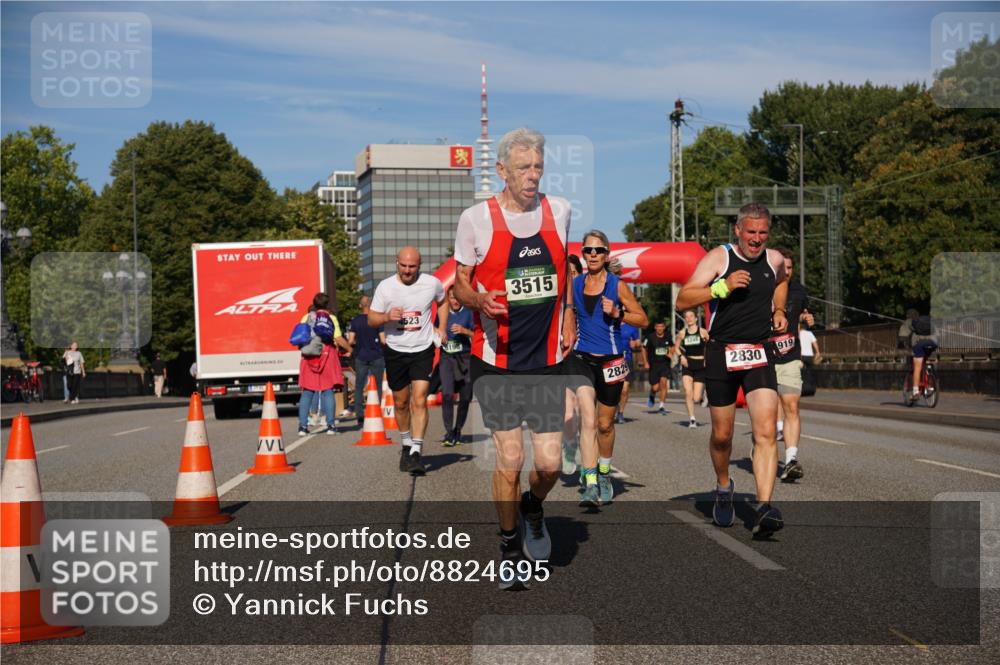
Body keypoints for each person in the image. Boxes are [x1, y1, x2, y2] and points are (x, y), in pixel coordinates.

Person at [453, 127, 575, 589]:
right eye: (523, 168)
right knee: (510, 456)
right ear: (501, 170)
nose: (532, 175)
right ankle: (508, 548)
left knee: (549, 465)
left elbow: (562, 271)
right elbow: (460, 283)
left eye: (538, 166)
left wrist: (566, 315)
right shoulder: (476, 219)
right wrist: (479, 301)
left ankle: (532, 507)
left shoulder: (558, 211)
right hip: (497, 358)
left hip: (544, 359)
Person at [676, 202, 789, 538]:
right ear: (738, 230)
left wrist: (779, 309)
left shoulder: (774, 259)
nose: (756, 239)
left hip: (758, 351)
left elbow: (782, 279)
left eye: (763, 233)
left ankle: (764, 506)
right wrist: (719, 288)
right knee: (722, 437)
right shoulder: (719, 258)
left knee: (766, 431)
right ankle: (724, 488)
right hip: (722, 353)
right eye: (751, 232)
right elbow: (682, 300)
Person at [567, 230, 648, 507]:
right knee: (588, 420)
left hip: (611, 360)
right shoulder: (575, 284)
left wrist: (618, 314)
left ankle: (603, 473)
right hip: (581, 358)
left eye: (598, 250)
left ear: (606, 254)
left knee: (604, 424)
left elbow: (643, 319)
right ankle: (590, 483)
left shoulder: (618, 286)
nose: (592, 255)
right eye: (588, 250)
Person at [369, 246, 448, 475]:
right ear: (397, 263)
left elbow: (442, 302)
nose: (407, 270)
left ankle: (416, 450)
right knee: (401, 402)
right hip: (396, 350)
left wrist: (441, 328)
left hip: (422, 348)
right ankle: (405, 444)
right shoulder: (386, 287)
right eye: (403, 265)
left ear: (419, 266)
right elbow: (372, 319)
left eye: (412, 266)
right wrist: (386, 317)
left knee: (420, 399)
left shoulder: (431, 283)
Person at [769, 249, 810, 482]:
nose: (786, 271)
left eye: (790, 267)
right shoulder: (761, 289)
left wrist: (806, 318)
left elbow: (801, 315)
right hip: (764, 357)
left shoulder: (799, 291)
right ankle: (763, 446)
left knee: (791, 406)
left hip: (790, 356)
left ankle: (791, 459)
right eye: (782, 267)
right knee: (766, 412)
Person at [296, 293, 344, 436]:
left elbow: (300, 336)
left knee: (308, 391)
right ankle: (330, 425)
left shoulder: (306, 317)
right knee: (328, 390)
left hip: (309, 356)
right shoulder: (331, 318)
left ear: (314, 303)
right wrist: (349, 348)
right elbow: (337, 337)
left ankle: (303, 427)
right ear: (327, 304)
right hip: (327, 355)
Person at [439, 287, 474, 447]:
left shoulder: (469, 312)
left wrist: (464, 331)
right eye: (451, 298)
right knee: (447, 394)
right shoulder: (442, 312)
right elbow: (433, 328)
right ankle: (448, 432)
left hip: (465, 358)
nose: (454, 301)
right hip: (447, 357)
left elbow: (478, 334)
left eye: (456, 297)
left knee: (465, 397)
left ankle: (458, 430)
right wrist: (440, 333)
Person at [561, 254, 584, 476]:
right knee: (568, 406)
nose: (571, 278)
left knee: (582, 407)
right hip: (563, 354)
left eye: (574, 273)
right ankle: (569, 447)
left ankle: (575, 445)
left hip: (585, 354)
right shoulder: (557, 297)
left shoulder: (587, 293)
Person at [348, 295, 386, 422]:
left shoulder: (355, 321)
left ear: (360, 306)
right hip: (377, 355)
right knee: (378, 385)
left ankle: (359, 414)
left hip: (361, 356)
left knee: (359, 385)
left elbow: (351, 340)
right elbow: (383, 340)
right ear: (371, 305)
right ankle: (377, 411)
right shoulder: (377, 320)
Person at [672, 309, 709, 428]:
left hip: (700, 365)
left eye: (691, 316)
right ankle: (692, 419)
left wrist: (707, 359)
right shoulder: (682, 333)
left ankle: (702, 394)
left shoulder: (703, 332)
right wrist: (681, 356)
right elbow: (676, 347)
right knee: (688, 392)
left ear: (696, 318)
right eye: (686, 317)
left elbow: (710, 346)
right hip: (688, 364)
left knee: (696, 397)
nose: (689, 318)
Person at [905, 309, 938, 403]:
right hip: (933, 343)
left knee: (917, 367)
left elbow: (906, 335)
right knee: (926, 358)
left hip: (920, 345)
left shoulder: (913, 323)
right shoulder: (930, 322)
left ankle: (915, 392)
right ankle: (931, 383)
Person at [641, 321, 672, 414]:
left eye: (661, 326)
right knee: (655, 387)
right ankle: (652, 394)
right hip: (653, 364)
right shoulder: (650, 337)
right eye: (658, 326)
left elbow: (672, 346)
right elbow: (643, 348)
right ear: (655, 327)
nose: (660, 328)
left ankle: (662, 406)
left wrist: (671, 353)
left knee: (664, 383)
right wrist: (645, 362)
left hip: (665, 364)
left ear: (664, 327)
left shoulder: (668, 336)